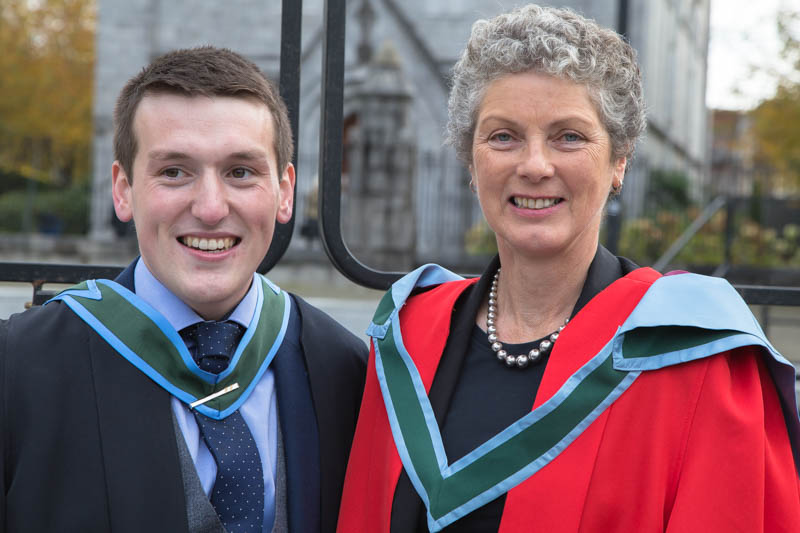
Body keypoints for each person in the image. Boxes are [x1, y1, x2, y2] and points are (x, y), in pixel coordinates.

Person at [338, 5, 800, 532]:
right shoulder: (406, 336)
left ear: (619, 160)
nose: (534, 165)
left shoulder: (696, 361)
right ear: (471, 160)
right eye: (503, 136)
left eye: (570, 137)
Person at [0, 47, 367, 533]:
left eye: (241, 172)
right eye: (174, 171)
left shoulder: (346, 373)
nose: (211, 208)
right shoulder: (17, 370)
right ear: (124, 190)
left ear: (285, 192)